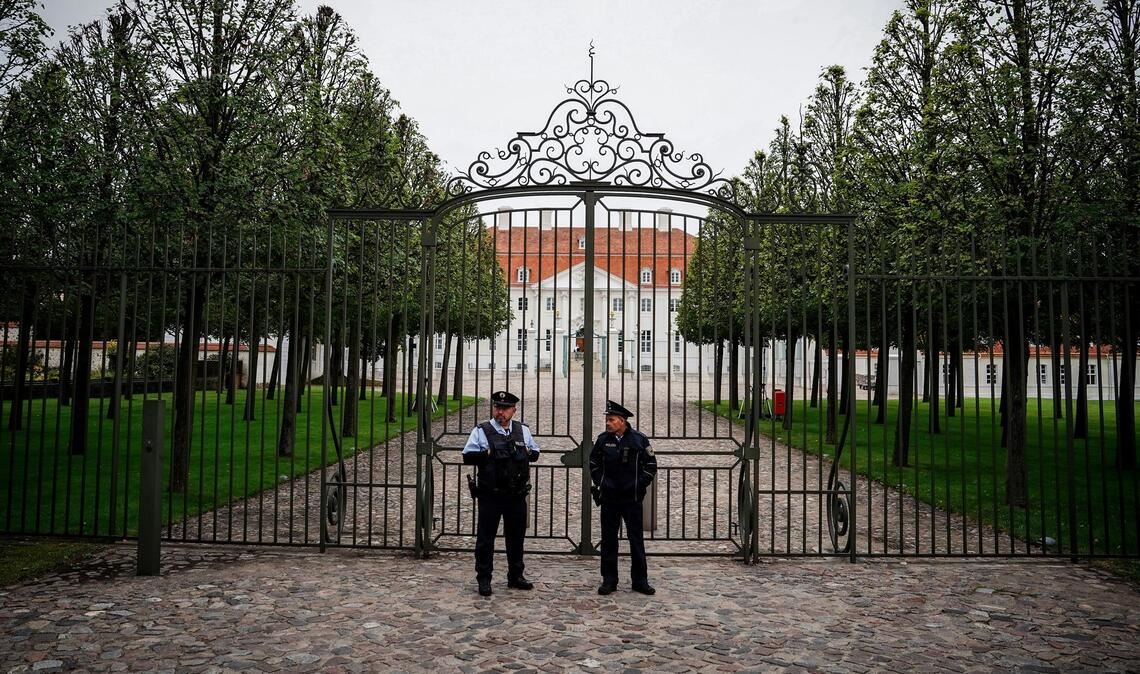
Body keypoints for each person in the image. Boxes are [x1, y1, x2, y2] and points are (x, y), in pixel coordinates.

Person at [462, 390, 540, 597]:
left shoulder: (522, 430)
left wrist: (526, 453)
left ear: (514, 410)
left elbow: (535, 453)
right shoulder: (482, 430)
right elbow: (467, 456)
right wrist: (486, 453)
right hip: (491, 494)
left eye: (505, 409)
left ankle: (516, 575)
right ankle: (484, 578)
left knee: (516, 538)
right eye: (497, 408)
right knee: (486, 539)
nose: (500, 412)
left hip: (516, 494)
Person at [589, 399, 658, 596]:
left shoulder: (639, 439)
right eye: (607, 420)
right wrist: (602, 482)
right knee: (609, 540)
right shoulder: (603, 440)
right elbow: (593, 463)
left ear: (622, 421)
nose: (607, 423)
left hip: (632, 499)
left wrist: (638, 484)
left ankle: (640, 580)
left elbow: (651, 465)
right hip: (610, 498)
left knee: (636, 540)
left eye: (611, 420)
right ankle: (609, 580)